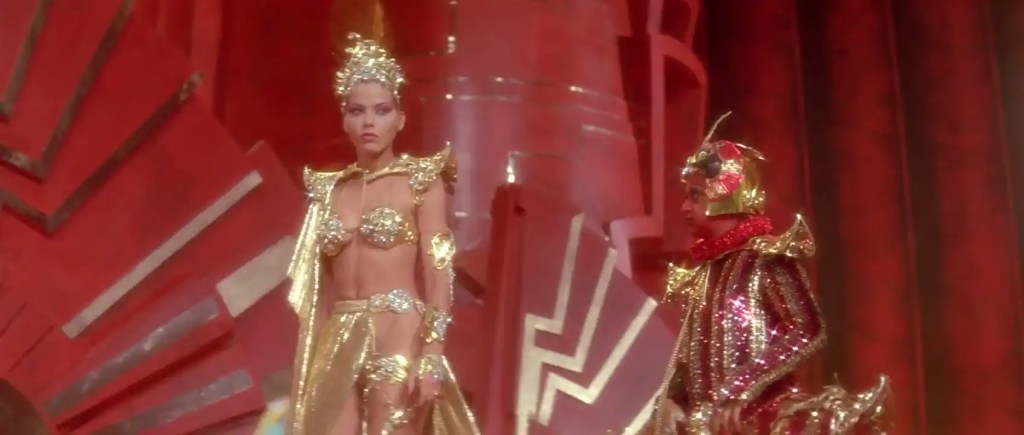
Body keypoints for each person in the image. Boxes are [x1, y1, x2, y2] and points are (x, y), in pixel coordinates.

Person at [644, 115, 890, 434]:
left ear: (725, 193)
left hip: (761, 420)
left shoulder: (766, 259)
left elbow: (808, 329)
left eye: (695, 194)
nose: (684, 208)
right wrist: (670, 401)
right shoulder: (704, 273)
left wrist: (743, 386)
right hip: (707, 426)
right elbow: (689, 356)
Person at [285, 33, 479, 435]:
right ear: (344, 120)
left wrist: (431, 353)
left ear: (400, 119)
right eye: (357, 111)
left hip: (398, 333)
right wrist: (306, 366)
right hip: (338, 337)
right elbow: (318, 292)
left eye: (381, 110)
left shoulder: (421, 182)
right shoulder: (329, 191)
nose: (369, 122)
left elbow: (439, 271)